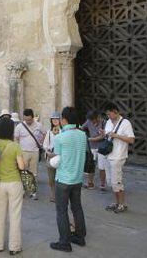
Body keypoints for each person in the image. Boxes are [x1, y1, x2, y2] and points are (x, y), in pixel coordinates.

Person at [50, 107, 87, 252]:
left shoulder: (60, 137)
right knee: (77, 207)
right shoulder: (82, 135)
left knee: (61, 211)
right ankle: (80, 236)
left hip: (64, 179)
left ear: (64, 119)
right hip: (77, 178)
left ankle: (64, 242)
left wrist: (50, 156)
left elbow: (57, 160)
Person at [0, 117, 25, 255]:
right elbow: (22, 166)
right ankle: (14, 246)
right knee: (15, 215)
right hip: (15, 183)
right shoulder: (15, 146)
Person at [103, 102, 135, 213]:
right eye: (107, 115)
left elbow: (131, 140)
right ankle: (116, 202)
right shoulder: (108, 122)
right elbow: (107, 135)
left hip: (119, 155)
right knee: (111, 181)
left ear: (116, 112)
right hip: (108, 155)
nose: (108, 117)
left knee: (117, 181)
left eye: (110, 114)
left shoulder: (125, 123)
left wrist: (116, 135)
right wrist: (105, 134)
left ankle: (122, 204)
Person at [14, 108, 46, 200]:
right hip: (23, 151)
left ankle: (33, 191)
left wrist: (41, 143)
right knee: (23, 171)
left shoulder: (39, 125)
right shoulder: (20, 126)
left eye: (29, 120)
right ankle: (23, 191)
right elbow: (16, 138)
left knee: (33, 172)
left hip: (35, 151)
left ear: (32, 117)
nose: (28, 121)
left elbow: (44, 134)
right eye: (26, 119)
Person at [82, 110, 106, 190]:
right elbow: (82, 128)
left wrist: (91, 139)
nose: (92, 122)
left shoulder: (103, 122)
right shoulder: (89, 121)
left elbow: (103, 136)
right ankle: (90, 183)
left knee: (102, 166)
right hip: (92, 147)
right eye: (91, 120)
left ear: (97, 117)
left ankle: (102, 184)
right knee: (91, 166)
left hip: (101, 147)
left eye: (93, 120)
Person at [42, 111, 61, 202]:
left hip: (59, 156)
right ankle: (53, 194)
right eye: (53, 119)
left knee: (60, 177)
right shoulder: (49, 132)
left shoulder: (63, 131)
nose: (55, 121)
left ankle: (59, 195)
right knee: (51, 178)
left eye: (57, 119)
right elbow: (45, 144)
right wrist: (47, 150)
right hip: (50, 156)